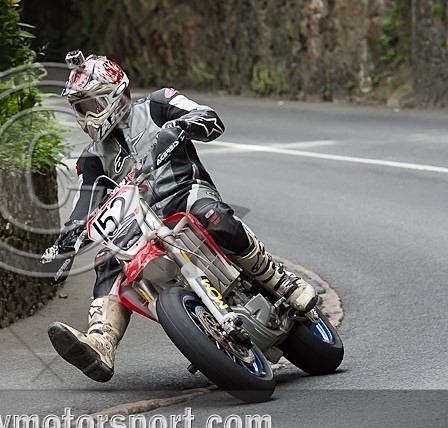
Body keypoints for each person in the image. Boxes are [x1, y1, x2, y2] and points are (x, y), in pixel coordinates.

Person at [41, 50, 317, 383]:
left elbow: (209, 117)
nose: (87, 117)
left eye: (91, 105)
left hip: (187, 197)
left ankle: (282, 282)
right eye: (79, 109)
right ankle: (101, 341)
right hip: (139, 228)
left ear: (114, 94)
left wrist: (182, 125)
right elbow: (83, 208)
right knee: (107, 258)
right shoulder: (92, 159)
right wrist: (64, 246)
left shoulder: (158, 104)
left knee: (212, 215)